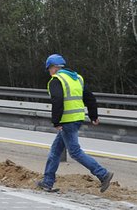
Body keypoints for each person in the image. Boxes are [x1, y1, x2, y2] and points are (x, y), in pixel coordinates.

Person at [36, 53, 114, 194]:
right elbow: (89, 97)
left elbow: (57, 100)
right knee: (55, 151)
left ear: (53, 68)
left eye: (49, 69)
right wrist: (93, 115)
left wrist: (56, 121)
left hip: (67, 121)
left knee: (75, 152)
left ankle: (103, 174)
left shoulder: (56, 80)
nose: (49, 72)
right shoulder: (77, 78)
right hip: (77, 118)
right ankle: (47, 182)